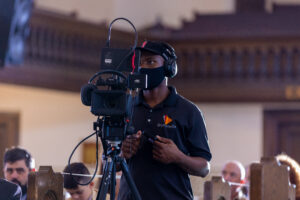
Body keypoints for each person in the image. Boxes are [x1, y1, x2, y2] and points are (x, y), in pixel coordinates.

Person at [117, 41, 212, 200]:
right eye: (139, 63)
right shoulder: (126, 107)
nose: (143, 68)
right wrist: (122, 153)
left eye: (151, 62)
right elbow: (107, 163)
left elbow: (204, 168)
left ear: (169, 67)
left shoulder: (189, 111)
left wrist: (178, 157)